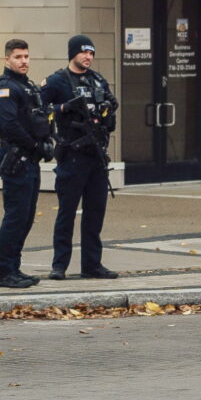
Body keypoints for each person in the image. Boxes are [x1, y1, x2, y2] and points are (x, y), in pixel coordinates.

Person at [42, 34, 119, 281]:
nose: (88, 57)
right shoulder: (57, 81)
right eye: (84, 52)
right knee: (67, 213)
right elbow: (38, 111)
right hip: (72, 156)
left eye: (92, 53)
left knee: (95, 213)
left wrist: (109, 110)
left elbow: (109, 119)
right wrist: (63, 108)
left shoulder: (98, 80)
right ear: (73, 53)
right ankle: (59, 265)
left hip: (96, 156)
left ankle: (92, 264)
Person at [0, 39, 53, 288]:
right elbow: (10, 126)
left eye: (26, 56)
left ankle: (13, 267)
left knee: (25, 217)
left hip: (30, 160)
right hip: (16, 159)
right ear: (7, 60)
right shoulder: (5, 88)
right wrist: (36, 146)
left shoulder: (26, 87)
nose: (24, 61)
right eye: (18, 57)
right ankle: (2, 271)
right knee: (16, 216)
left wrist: (47, 141)